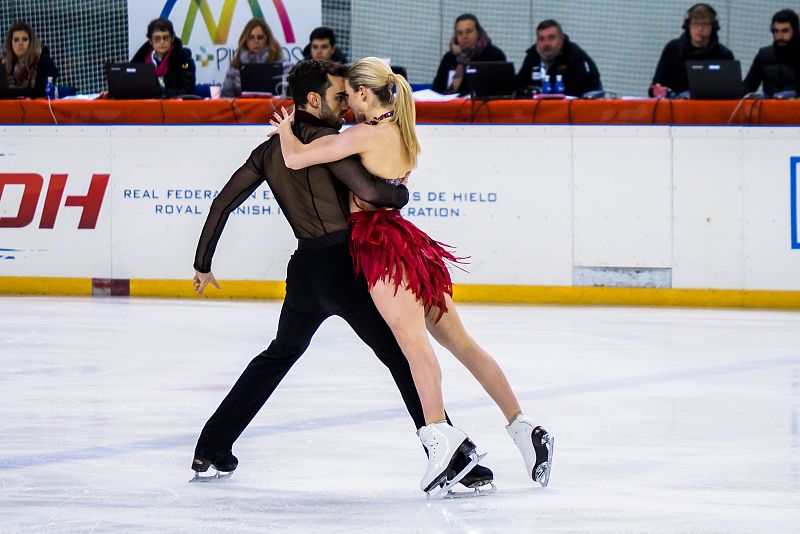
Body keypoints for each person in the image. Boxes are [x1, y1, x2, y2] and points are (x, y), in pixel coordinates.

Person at [190, 59, 493, 495]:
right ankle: (458, 458)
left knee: (278, 356)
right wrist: (403, 191)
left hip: (305, 274)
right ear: (313, 99)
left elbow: (222, 203)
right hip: (344, 267)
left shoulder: (270, 149)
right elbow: (373, 192)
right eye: (338, 96)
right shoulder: (331, 142)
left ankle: (211, 446)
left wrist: (203, 264)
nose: (347, 106)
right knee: (400, 355)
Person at [271, 57, 554, 494]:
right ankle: (524, 429)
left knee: (412, 346)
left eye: (349, 96)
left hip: (381, 250)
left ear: (365, 94)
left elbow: (295, 159)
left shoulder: (364, 134)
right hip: (410, 245)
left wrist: (286, 128)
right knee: (465, 345)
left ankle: (440, 435)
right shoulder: (403, 130)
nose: (345, 105)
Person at [650, 3, 734, 97]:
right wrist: (657, 90)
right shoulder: (672, 49)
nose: (700, 29)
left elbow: (732, 94)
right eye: (695, 24)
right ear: (688, 26)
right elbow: (655, 87)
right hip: (676, 108)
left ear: (713, 27)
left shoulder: (724, 55)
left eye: (705, 24)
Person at [515, 19, 602, 97]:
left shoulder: (575, 56)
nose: (546, 43)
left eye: (551, 38)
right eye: (541, 39)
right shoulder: (532, 56)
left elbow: (590, 90)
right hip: (537, 110)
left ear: (561, 38)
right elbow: (519, 86)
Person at [432, 14, 506, 95]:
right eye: (460, 33)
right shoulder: (449, 58)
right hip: (452, 106)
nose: (464, 36)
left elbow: (503, 90)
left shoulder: (494, 55)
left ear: (478, 32)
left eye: (469, 31)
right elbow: (436, 90)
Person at [131, 18, 196, 98]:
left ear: (172, 39)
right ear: (150, 41)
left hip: (176, 107)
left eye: (165, 37)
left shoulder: (184, 60)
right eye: (157, 38)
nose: (162, 42)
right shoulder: (140, 61)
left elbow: (188, 91)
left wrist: (162, 93)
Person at [744, 9, 800, 98]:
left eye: (785, 31)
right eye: (776, 31)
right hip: (769, 108)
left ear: (795, 31)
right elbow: (748, 87)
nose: (780, 36)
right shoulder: (764, 55)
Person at [222, 18, 284, 98]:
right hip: (241, 108)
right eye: (251, 37)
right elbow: (226, 96)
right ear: (245, 40)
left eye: (260, 37)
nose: (256, 41)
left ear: (267, 39)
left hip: (273, 108)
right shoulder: (236, 64)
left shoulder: (280, 62)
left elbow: (289, 94)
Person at [1, 21, 58, 99]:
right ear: (10, 43)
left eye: (24, 39)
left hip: (37, 108)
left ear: (31, 42)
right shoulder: (4, 62)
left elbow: (42, 91)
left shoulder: (43, 60)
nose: (20, 43)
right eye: (16, 40)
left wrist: (9, 92)